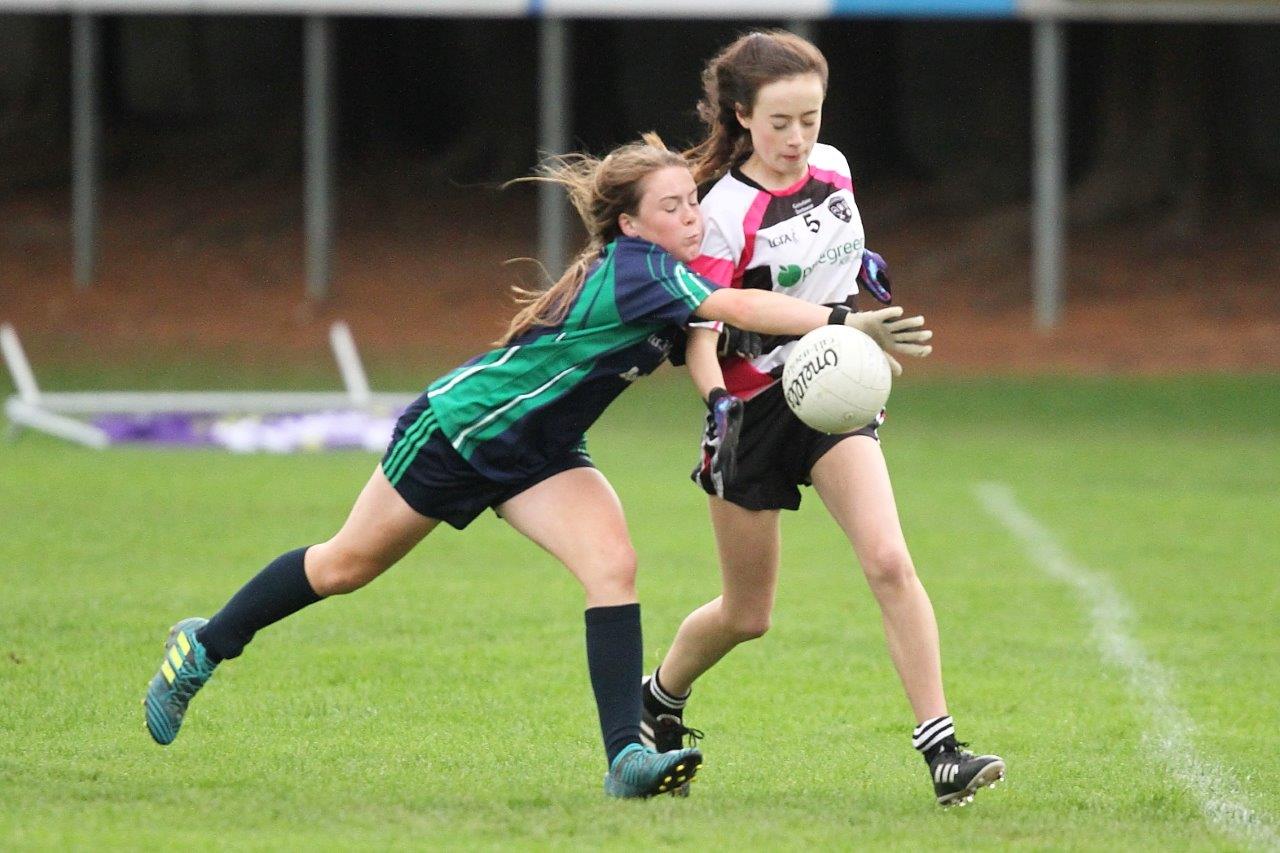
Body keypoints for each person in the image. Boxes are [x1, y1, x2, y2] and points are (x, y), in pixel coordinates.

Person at [141, 133, 932, 799]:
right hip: (462, 429)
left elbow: (710, 327)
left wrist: (742, 374)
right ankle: (205, 644)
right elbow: (734, 310)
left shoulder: (670, 273)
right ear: (629, 223)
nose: (692, 217)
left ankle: (627, 756)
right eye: (672, 208)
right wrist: (841, 320)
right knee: (345, 565)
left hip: (545, 453)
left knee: (613, 564)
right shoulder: (640, 269)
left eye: (693, 203)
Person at [639, 31, 1006, 807]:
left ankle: (943, 750)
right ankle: (661, 697)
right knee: (748, 614)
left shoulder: (835, 167)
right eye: (779, 121)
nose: (797, 137)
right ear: (741, 116)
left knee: (888, 560)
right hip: (750, 412)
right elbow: (702, 335)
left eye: (810, 117)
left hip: (830, 398)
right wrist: (716, 407)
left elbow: (838, 266)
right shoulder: (723, 211)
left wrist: (855, 353)